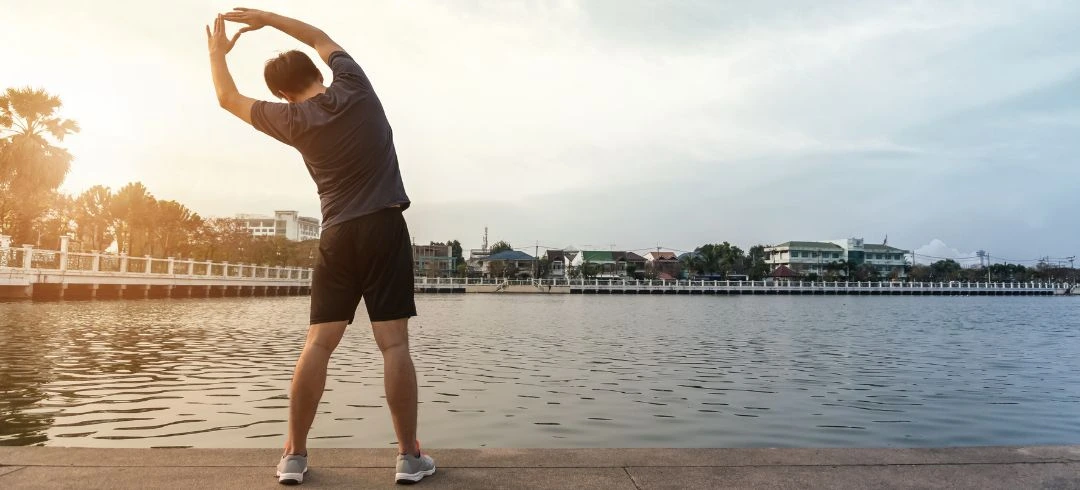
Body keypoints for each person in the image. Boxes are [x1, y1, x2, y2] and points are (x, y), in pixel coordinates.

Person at [206, 9, 435, 485]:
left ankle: (293, 455)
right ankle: (408, 457)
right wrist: (266, 18)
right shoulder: (354, 85)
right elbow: (318, 36)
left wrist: (217, 54)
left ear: (282, 94)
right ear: (318, 71)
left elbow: (226, 98)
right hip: (384, 226)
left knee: (318, 343)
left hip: (337, 235)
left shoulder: (291, 119)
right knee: (394, 344)